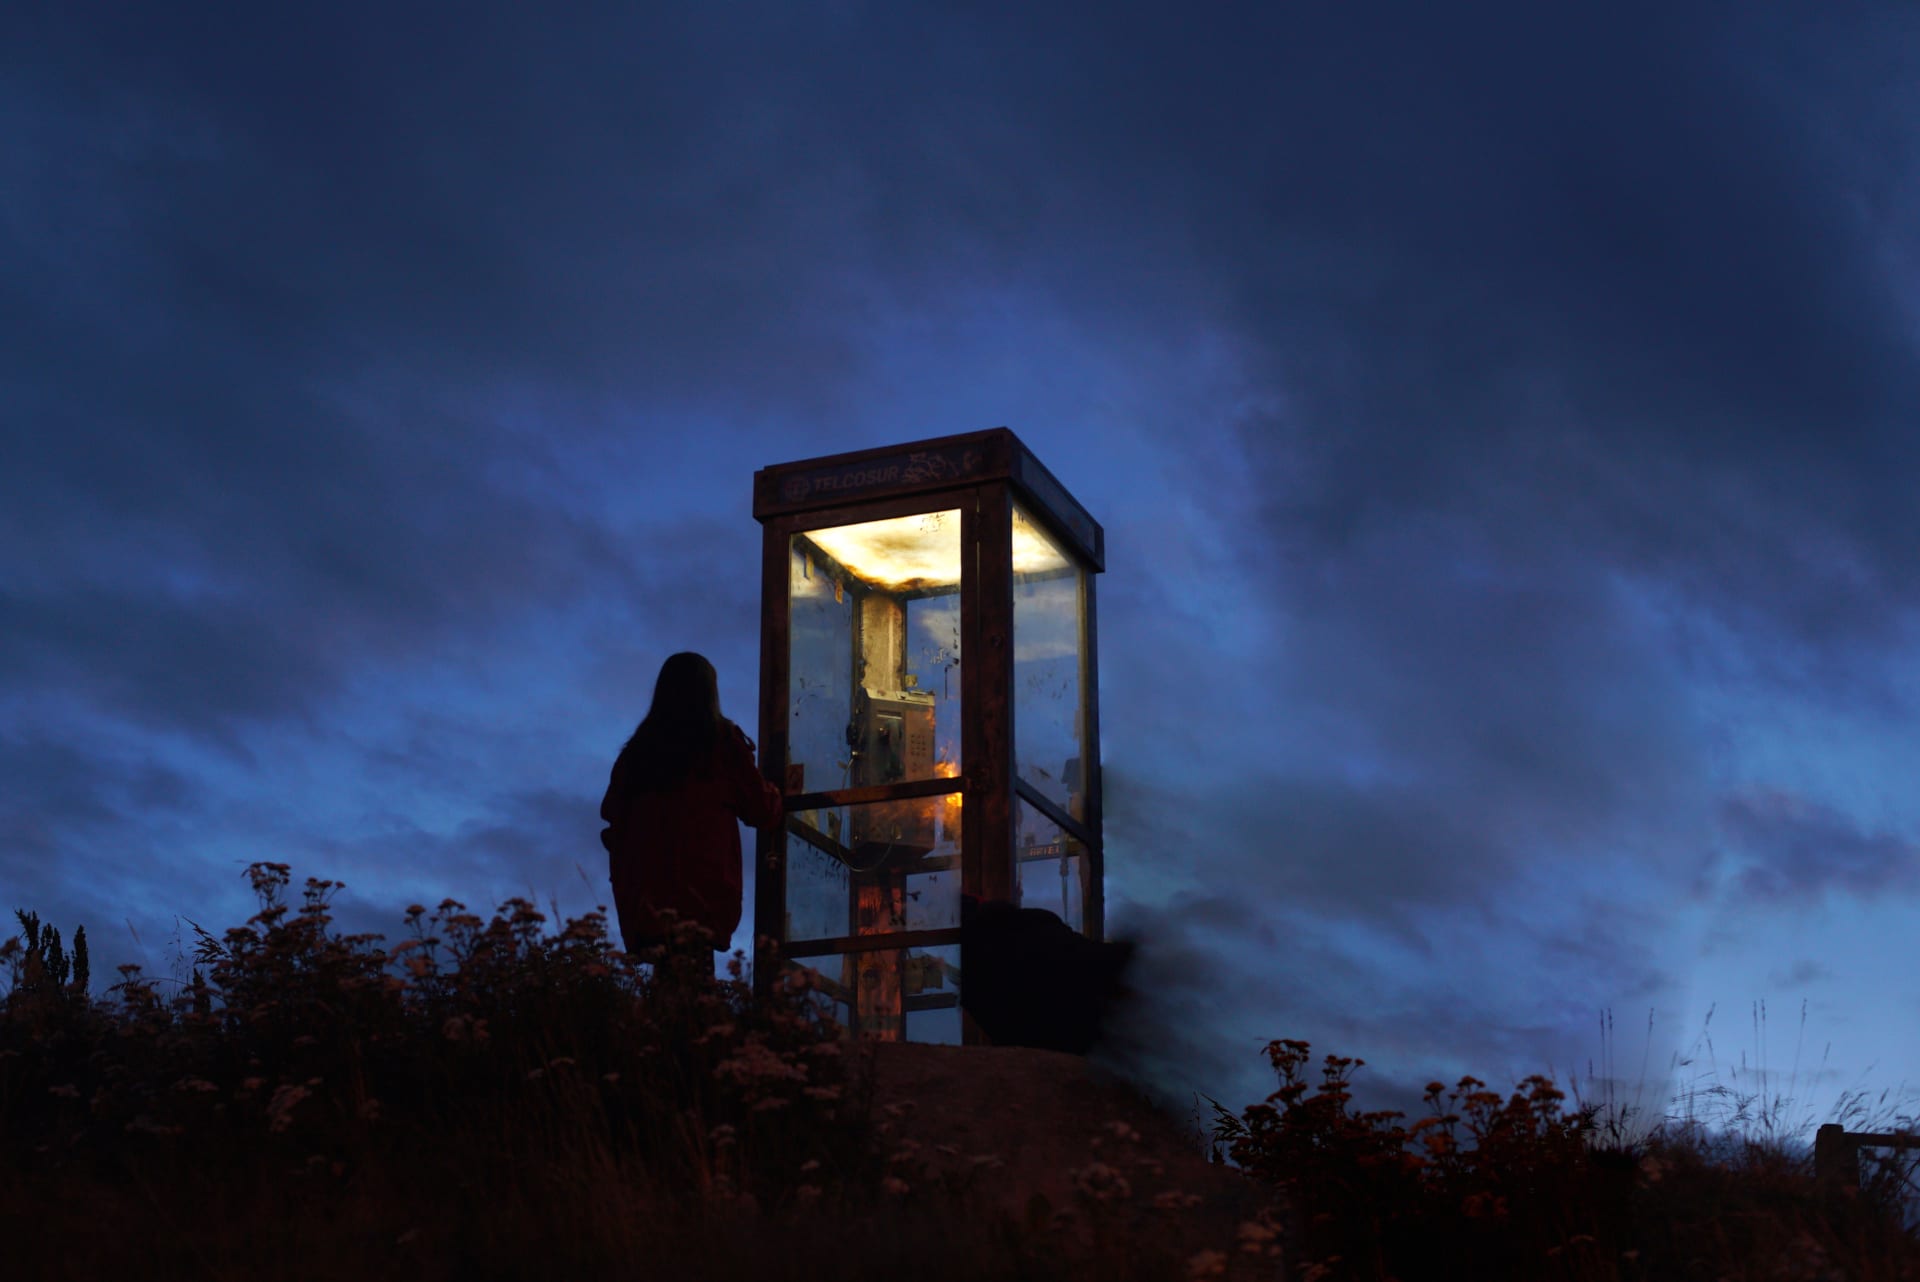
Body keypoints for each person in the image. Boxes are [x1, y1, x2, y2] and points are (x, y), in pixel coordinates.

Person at [599, 652, 782, 955]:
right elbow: (760, 808)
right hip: (703, 896)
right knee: (692, 988)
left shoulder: (637, 754)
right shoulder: (720, 744)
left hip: (647, 899)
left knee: (671, 990)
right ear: (710, 692)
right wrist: (778, 794)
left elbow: (614, 820)